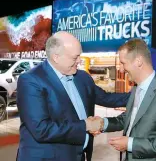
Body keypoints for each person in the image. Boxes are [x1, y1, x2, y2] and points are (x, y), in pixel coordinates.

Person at [16, 31, 130, 161]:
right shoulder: (31, 80)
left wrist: (140, 93)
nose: (79, 61)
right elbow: (41, 129)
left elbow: (107, 98)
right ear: (56, 57)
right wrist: (86, 125)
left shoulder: (82, 77)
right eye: (75, 58)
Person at [99, 38, 156, 161]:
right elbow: (129, 118)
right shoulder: (136, 88)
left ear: (138, 61)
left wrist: (130, 144)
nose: (121, 69)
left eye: (123, 63)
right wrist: (103, 123)